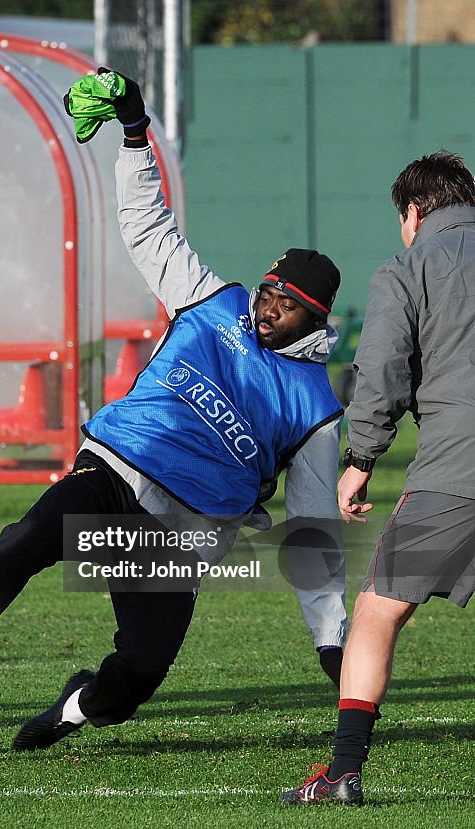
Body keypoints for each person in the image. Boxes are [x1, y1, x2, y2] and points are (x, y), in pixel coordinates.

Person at [0, 68, 348, 752]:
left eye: (288, 303)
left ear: (315, 320)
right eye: (270, 291)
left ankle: (77, 706)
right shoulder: (213, 301)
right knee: (26, 538)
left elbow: (315, 527)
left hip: (184, 532)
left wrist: (332, 641)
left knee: (139, 674)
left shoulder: (316, 409)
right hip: (119, 469)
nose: (270, 307)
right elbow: (147, 226)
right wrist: (134, 131)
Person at [281, 151, 475, 807]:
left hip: (457, 469)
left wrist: (360, 460)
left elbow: (383, 371)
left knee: (376, 610)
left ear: (414, 212)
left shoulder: (408, 266)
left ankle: (342, 771)